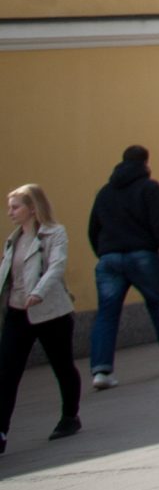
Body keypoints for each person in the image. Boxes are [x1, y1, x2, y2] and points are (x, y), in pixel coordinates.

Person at [85, 146, 159, 386]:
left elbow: (92, 229)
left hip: (108, 259)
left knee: (107, 314)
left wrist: (104, 252)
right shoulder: (150, 188)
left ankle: (101, 370)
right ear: (145, 162)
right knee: (158, 304)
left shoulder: (104, 193)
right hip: (142, 256)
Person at [1, 185, 80, 452]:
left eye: (15, 207)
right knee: (6, 373)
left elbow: (57, 266)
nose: (10, 212)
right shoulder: (13, 239)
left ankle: (70, 417)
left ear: (33, 208)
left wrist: (38, 292)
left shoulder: (54, 234)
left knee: (63, 366)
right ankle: (0, 431)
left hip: (49, 312)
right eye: (10, 207)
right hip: (17, 312)